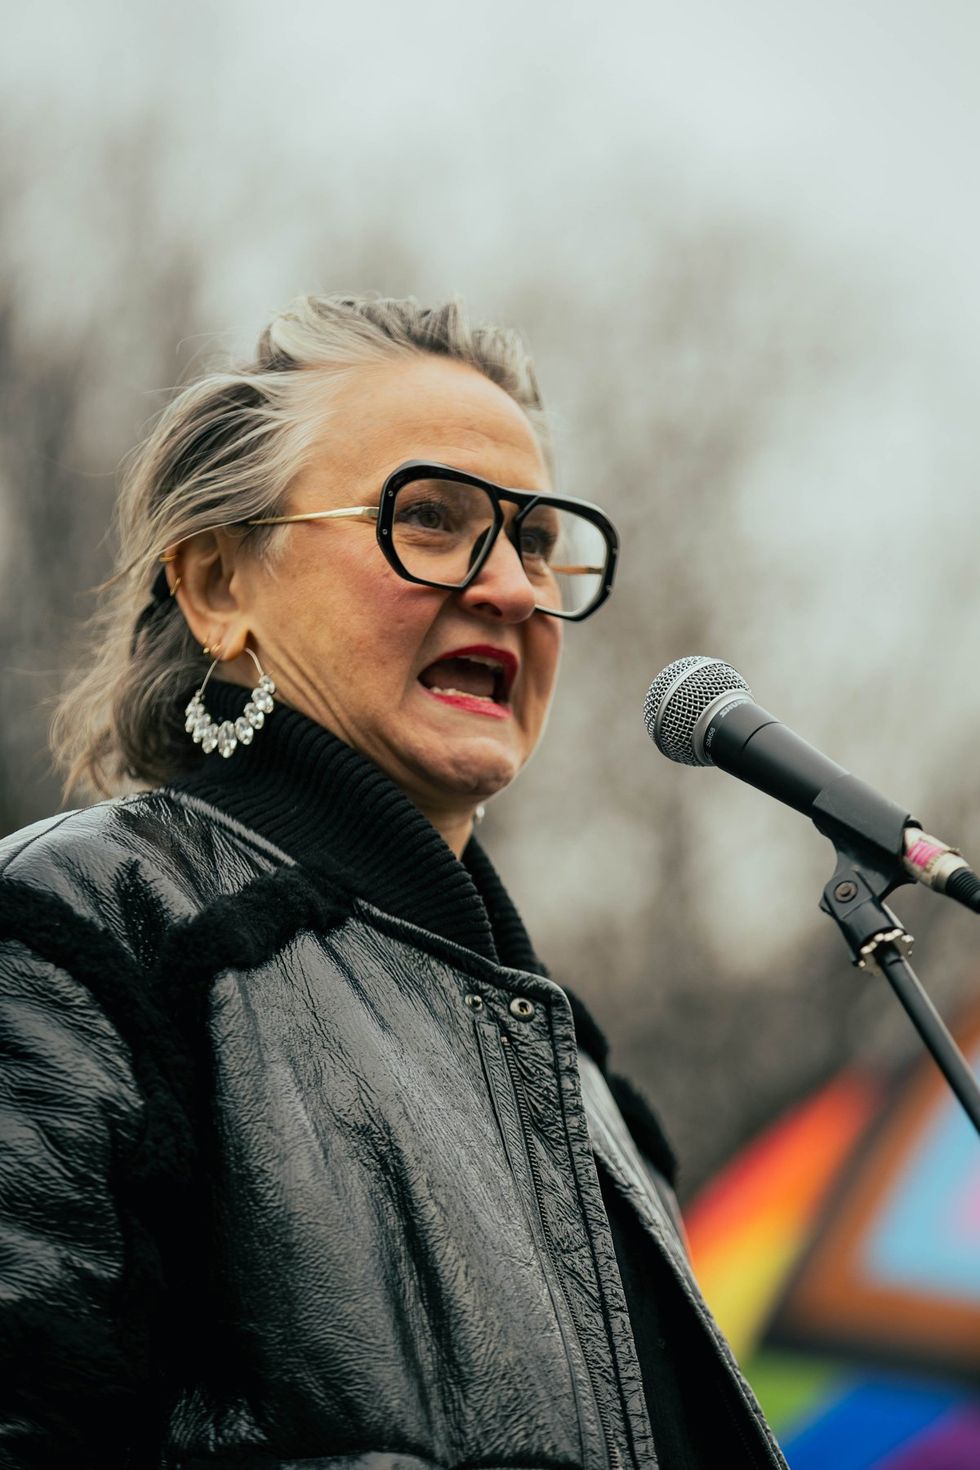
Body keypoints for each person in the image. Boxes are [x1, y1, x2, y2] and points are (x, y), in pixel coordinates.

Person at [0, 294, 786, 1470]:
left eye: (531, 540)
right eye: (429, 517)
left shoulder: (587, 1091)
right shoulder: (76, 932)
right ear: (218, 587)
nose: (513, 590)